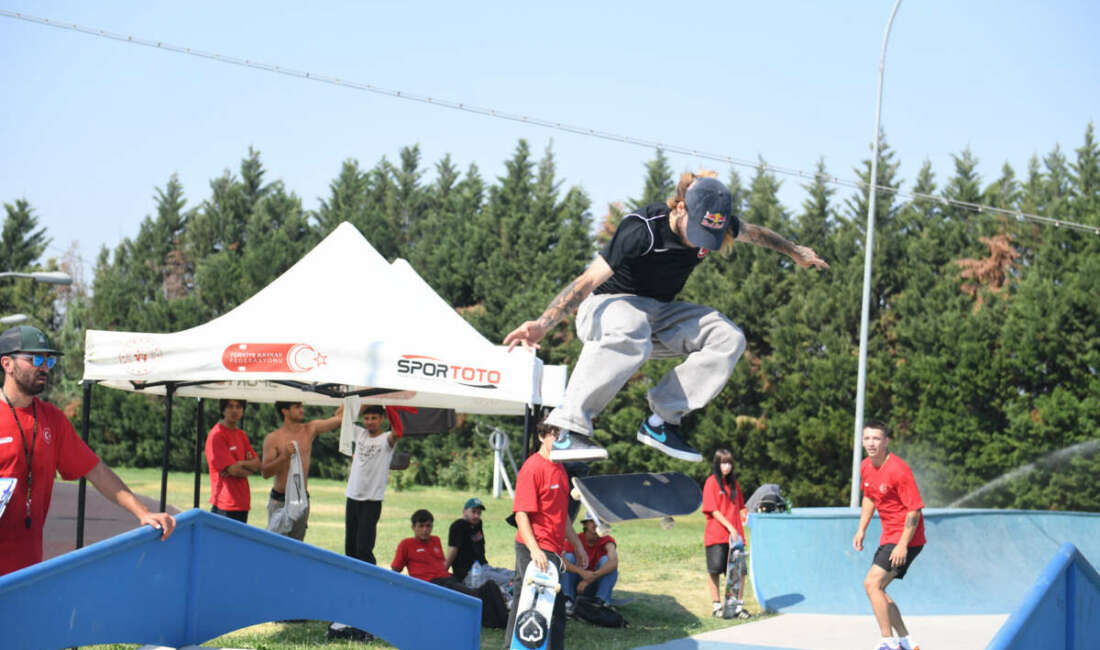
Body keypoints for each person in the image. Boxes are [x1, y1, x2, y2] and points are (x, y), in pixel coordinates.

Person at [504, 172, 828, 463]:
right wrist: (543, 323)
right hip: (605, 307)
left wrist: (795, 251)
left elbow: (757, 234)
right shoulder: (641, 229)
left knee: (728, 337)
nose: (697, 242)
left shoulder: (717, 220)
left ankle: (661, 421)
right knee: (631, 327)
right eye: (696, 232)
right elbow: (588, 281)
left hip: (656, 315)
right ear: (681, 208)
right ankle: (567, 429)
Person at [0, 325, 175, 576]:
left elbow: (96, 471)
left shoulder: (53, 420)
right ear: (7, 364)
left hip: (27, 571)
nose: (45, 367)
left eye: (48, 360)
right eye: (35, 359)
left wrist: (144, 513)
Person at [503, 421, 588, 650]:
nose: (560, 441)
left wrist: (578, 545)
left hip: (551, 548)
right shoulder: (532, 468)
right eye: (555, 436)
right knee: (551, 609)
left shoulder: (560, 468)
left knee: (525, 603)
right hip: (535, 548)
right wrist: (535, 550)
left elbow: (563, 516)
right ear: (542, 437)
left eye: (564, 437)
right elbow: (521, 515)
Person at [852, 420, 925, 650]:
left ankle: (888, 642)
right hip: (889, 536)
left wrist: (903, 545)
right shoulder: (865, 466)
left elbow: (914, 509)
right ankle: (906, 641)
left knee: (871, 584)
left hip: (907, 537)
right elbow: (869, 497)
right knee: (878, 590)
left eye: (876, 439)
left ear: (886, 442)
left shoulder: (899, 470)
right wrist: (861, 529)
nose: (871, 443)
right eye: (867, 438)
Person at [391, 509, 508, 628]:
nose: (425, 530)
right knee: (474, 595)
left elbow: (441, 565)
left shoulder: (435, 540)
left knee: (490, 586)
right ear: (413, 527)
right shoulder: (406, 544)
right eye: (421, 526)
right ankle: (493, 620)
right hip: (430, 584)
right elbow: (395, 569)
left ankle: (504, 621)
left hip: (448, 579)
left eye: (428, 526)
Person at [260, 400, 342, 540]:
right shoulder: (273, 438)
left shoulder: (309, 429)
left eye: (301, 406)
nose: (302, 410)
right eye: (297, 407)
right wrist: (284, 457)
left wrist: (361, 397)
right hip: (280, 500)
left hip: (301, 498)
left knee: (297, 548)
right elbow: (265, 473)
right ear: (285, 411)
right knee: (275, 547)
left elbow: (339, 419)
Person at [344, 405, 399, 564]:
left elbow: (397, 432)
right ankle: (351, 580)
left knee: (364, 548)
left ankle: (369, 581)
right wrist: (363, 405)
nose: (370, 422)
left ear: (382, 419)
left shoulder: (387, 438)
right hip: (353, 496)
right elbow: (341, 416)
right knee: (351, 548)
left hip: (371, 500)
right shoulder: (360, 434)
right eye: (367, 418)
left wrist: (390, 406)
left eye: (374, 418)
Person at [702, 448, 747, 618]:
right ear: (717, 464)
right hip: (717, 534)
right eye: (723, 463)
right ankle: (716, 606)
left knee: (739, 572)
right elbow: (713, 510)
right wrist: (730, 527)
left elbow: (742, 507)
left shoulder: (735, 484)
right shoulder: (711, 482)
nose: (726, 467)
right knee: (715, 571)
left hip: (736, 538)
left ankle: (737, 606)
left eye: (729, 463)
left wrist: (751, 518)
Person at [204, 398, 260, 523]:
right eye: (230, 406)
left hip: (243, 503)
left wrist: (241, 464)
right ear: (223, 410)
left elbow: (257, 464)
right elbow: (235, 471)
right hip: (224, 505)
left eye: (239, 407)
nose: (234, 410)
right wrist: (245, 468)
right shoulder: (217, 435)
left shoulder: (241, 435)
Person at [445, 497, 514, 592]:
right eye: (473, 512)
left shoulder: (477, 524)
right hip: (469, 574)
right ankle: (507, 601)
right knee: (508, 580)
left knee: (515, 575)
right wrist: (443, 572)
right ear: (464, 511)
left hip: (483, 567)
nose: (477, 515)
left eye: (479, 513)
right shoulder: (457, 526)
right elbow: (452, 551)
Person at [560, 512, 619, 610]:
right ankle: (567, 600)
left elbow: (614, 562)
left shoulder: (607, 540)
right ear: (585, 524)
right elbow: (561, 561)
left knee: (607, 561)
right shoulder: (576, 539)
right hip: (576, 584)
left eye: (599, 521)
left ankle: (601, 601)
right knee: (569, 557)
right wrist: (581, 572)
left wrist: (590, 578)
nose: (596, 524)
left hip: (594, 583)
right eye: (592, 521)